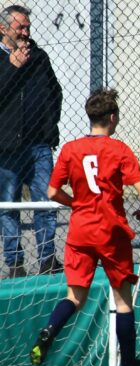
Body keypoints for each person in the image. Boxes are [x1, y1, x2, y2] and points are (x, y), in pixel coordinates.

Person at [29, 89, 140, 366]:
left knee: (74, 297)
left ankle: (50, 330)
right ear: (112, 118)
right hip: (110, 231)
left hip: (80, 230)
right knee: (123, 301)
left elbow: (51, 191)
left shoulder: (71, 149)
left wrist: (76, 203)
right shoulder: (119, 149)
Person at [0, 5, 63, 277]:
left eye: (27, 27)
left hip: (38, 144)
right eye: (20, 28)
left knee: (45, 203)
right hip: (7, 148)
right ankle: (15, 263)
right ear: (3, 29)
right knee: (9, 205)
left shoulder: (39, 57)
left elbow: (55, 92)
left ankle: (48, 258)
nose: (25, 32)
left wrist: (50, 128)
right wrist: (11, 68)